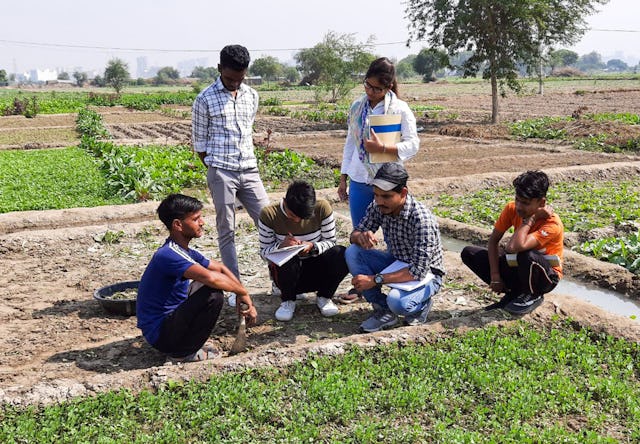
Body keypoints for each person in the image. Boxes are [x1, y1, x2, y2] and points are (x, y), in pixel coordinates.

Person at [192, 44, 270, 307]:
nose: (235, 83)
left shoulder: (251, 96)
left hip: (249, 169)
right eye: (229, 78)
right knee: (227, 230)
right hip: (221, 171)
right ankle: (235, 288)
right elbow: (200, 145)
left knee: (271, 224)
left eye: (240, 78)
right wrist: (217, 170)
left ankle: (281, 279)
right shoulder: (204, 99)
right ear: (219, 69)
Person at [337, 57, 420, 304]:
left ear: (388, 87)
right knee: (362, 234)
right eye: (367, 85)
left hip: (387, 182)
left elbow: (413, 143)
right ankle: (363, 286)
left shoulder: (400, 109)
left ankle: (397, 280)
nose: (370, 92)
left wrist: (384, 148)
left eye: (377, 88)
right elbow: (350, 143)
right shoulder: (356, 108)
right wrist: (343, 178)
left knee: (395, 236)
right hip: (360, 180)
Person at [137, 194, 257, 362]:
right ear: (178, 225)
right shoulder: (168, 254)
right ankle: (183, 354)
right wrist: (242, 291)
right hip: (161, 335)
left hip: (167, 326)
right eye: (196, 219)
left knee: (205, 283)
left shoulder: (182, 250)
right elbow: (212, 278)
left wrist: (243, 295)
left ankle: (185, 344)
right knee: (213, 295)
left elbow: (221, 268)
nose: (202, 223)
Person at [345, 163, 445, 332]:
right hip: (397, 261)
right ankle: (383, 309)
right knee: (353, 252)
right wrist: (360, 237)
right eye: (376, 195)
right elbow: (354, 235)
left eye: (386, 196)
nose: (379, 201)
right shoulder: (378, 206)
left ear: (403, 193)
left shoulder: (421, 220)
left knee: (398, 303)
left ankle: (420, 304)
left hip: (427, 274)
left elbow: (418, 271)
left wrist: (375, 280)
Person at [460, 170, 564, 314]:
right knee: (470, 253)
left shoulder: (552, 223)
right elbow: (493, 241)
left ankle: (533, 295)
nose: (519, 207)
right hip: (520, 268)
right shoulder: (511, 209)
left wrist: (531, 219)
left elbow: (514, 247)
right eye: (517, 200)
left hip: (545, 277)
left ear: (541, 203)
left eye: (525, 203)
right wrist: (495, 276)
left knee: (525, 254)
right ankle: (514, 293)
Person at [258, 181, 348, 322]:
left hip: (315, 266)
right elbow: (264, 253)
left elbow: (331, 242)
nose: (297, 220)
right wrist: (281, 246)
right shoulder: (269, 214)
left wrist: (312, 246)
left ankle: (324, 297)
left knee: (341, 253)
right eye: (292, 215)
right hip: (287, 275)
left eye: (303, 217)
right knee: (289, 257)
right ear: (284, 202)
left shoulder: (322, 207)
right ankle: (288, 300)